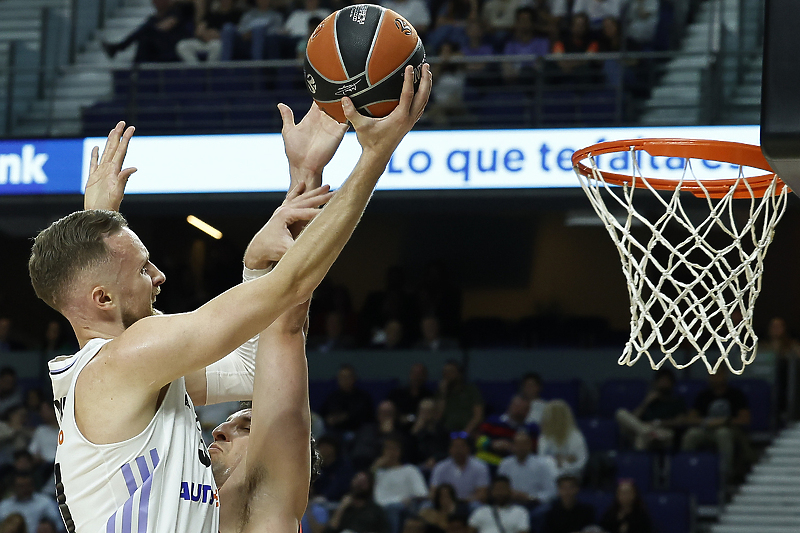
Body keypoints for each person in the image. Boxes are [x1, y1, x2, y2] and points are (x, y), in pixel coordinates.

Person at [33, 63, 431, 533]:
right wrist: (375, 154)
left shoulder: (131, 382)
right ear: (101, 298)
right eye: (143, 268)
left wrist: (99, 220)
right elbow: (290, 289)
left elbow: (255, 364)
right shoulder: (126, 362)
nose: (160, 275)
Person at [681, 368, 752, 480]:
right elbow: (690, 419)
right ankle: (687, 469)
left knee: (723, 434)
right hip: (707, 429)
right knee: (691, 434)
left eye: (718, 373)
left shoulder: (736, 395)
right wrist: (708, 422)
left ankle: (725, 474)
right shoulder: (703, 395)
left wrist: (725, 421)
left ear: (725, 375)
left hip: (730, 430)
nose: (715, 377)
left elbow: (745, 420)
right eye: (712, 374)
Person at [615, 368, 686, 450]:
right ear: (656, 382)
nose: (664, 383)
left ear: (672, 383)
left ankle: (645, 433)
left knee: (642, 436)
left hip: (663, 432)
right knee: (620, 413)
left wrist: (657, 423)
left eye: (666, 381)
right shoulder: (649, 400)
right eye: (661, 380)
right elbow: (634, 418)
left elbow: (679, 422)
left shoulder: (676, 401)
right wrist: (646, 403)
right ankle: (646, 431)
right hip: (645, 429)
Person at [102, 0, 195, 62]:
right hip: (155, 49)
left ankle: (120, 47)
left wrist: (153, 28)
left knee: (147, 31)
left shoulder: (176, 12)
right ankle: (133, 63)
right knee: (144, 38)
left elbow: (165, 27)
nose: (155, 2)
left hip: (172, 46)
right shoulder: (153, 19)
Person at [372, 437, 429, 533]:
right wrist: (374, 468)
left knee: (392, 508)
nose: (391, 452)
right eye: (388, 449)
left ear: (400, 452)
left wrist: (410, 498)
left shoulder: (410, 470)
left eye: (394, 449)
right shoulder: (378, 472)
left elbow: (422, 494)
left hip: (401, 507)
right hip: (378, 508)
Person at [497, 431, 557, 506]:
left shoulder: (541, 465)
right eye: (518, 445)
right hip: (511, 504)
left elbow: (551, 492)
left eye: (524, 444)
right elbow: (499, 488)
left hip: (533, 504)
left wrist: (530, 497)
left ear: (530, 445)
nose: (521, 448)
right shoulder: (505, 464)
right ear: (513, 446)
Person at [177, 0, 243, 62]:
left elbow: (236, 33)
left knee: (217, 45)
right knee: (182, 45)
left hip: (219, 42)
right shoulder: (212, 14)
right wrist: (206, 34)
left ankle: (210, 70)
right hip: (205, 41)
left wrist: (218, 35)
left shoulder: (236, 15)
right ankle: (195, 68)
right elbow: (198, 31)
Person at [324, 471, 391, 533]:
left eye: (363, 482)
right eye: (357, 481)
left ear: (370, 486)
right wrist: (341, 508)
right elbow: (330, 530)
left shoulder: (376, 511)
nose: (359, 485)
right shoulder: (343, 509)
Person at [430, 435, 490, 502]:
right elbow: (433, 492)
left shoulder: (480, 466)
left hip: (470, 502)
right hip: (446, 503)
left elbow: (482, 494)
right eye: (455, 447)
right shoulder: (440, 467)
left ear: (468, 448)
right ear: (450, 450)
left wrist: (462, 502)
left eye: (462, 446)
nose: (458, 450)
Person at [538, 400, 588, 477]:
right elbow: (542, 461)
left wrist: (563, 463)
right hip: (549, 476)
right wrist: (564, 460)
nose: (543, 420)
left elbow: (581, 462)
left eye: (547, 416)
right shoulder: (544, 437)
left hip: (570, 476)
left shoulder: (575, 436)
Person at [320, 364, 375, 434]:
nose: (345, 380)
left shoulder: (363, 397)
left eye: (347, 377)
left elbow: (366, 417)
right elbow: (324, 415)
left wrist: (344, 417)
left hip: (359, 431)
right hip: (336, 432)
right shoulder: (332, 397)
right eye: (342, 377)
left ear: (354, 378)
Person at [436, 360, 484, 433]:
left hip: (469, 431)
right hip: (447, 432)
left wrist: (464, 434)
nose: (447, 375)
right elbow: (437, 417)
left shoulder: (471, 390)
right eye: (445, 372)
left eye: (450, 372)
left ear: (459, 374)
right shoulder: (441, 393)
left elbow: (478, 416)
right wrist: (443, 394)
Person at [314, 434, 356, 503]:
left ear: (332, 449)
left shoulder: (344, 467)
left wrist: (326, 496)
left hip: (338, 502)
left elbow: (341, 486)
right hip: (317, 502)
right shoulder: (318, 467)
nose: (321, 450)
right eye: (320, 447)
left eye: (324, 447)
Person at [410, 398, 449, 468]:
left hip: (440, 464)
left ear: (434, 413)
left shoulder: (443, 430)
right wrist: (415, 432)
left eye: (428, 411)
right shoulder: (414, 431)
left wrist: (435, 458)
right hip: (419, 465)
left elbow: (448, 451)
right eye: (422, 411)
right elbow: (410, 454)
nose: (425, 415)